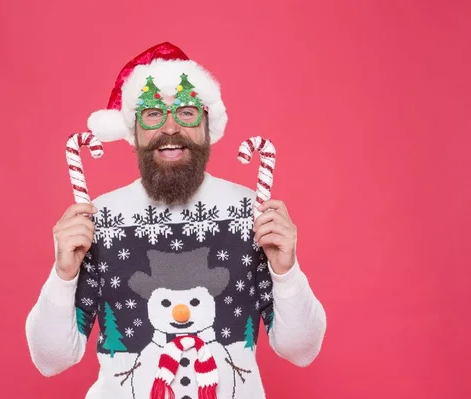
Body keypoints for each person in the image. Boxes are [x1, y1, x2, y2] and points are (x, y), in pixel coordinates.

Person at [25, 42, 327, 399]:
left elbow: (301, 350)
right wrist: (63, 275)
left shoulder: (253, 213)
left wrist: (286, 271)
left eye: (185, 112)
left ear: (207, 125)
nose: (170, 128)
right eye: (152, 113)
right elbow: (50, 359)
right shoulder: (98, 219)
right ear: (133, 130)